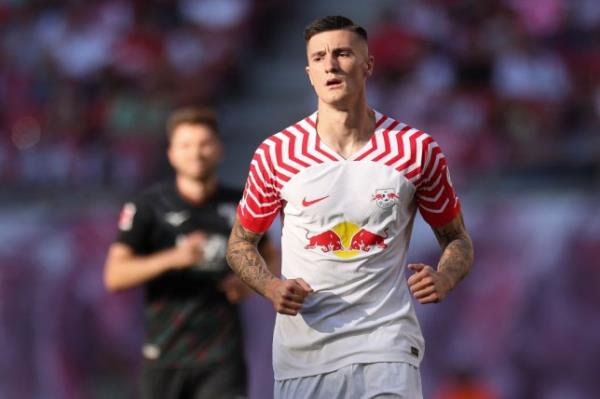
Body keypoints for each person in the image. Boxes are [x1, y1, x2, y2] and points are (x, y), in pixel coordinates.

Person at [226, 16, 474, 399]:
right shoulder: (276, 154)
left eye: (343, 53)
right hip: (304, 356)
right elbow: (240, 244)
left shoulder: (415, 148)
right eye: (319, 57)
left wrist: (445, 278)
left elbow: (456, 238)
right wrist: (271, 287)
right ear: (309, 73)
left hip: (387, 347)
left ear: (368, 65)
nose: (331, 64)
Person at [103, 106, 275, 399]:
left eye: (204, 143)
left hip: (222, 355)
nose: (196, 153)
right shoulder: (148, 206)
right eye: (186, 145)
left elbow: (270, 255)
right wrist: (174, 258)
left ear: (219, 149)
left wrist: (251, 282)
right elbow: (114, 275)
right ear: (171, 153)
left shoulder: (240, 204)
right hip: (165, 356)